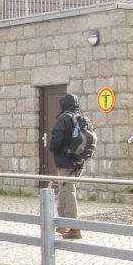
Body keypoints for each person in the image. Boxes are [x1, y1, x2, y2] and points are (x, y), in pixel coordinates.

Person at [49, 93, 85, 239]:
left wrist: (54, 149)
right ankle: (62, 225)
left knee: (68, 193)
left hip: (66, 163)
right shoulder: (81, 119)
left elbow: (56, 141)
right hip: (78, 163)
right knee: (64, 191)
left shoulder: (64, 119)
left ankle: (74, 228)